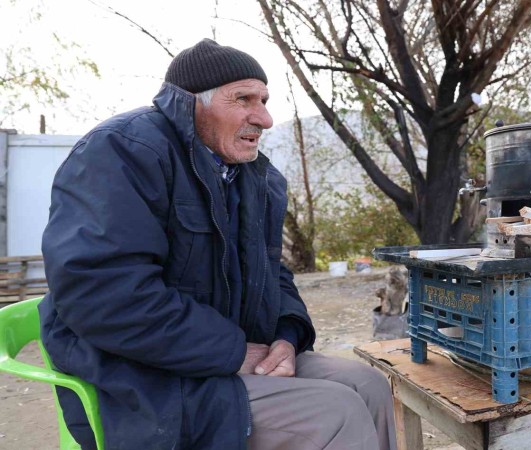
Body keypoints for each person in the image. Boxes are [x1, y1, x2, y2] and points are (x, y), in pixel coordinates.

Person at [38, 38, 397, 450]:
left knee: (368, 385)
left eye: (263, 99)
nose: (263, 117)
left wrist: (286, 337)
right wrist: (232, 352)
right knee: (335, 410)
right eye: (243, 99)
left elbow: (273, 274)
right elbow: (101, 295)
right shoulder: (122, 151)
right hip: (140, 373)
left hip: (224, 355)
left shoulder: (252, 177)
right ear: (193, 103)